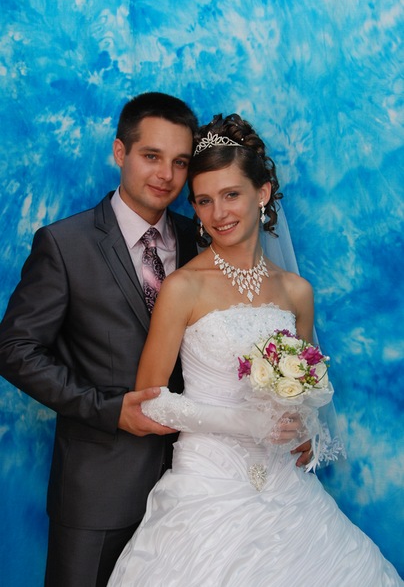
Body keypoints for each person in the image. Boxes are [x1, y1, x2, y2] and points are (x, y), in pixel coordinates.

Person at [107, 114, 403, 586]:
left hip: (286, 488)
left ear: (262, 193)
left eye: (231, 195)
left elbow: (307, 386)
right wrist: (245, 422)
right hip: (208, 486)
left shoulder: (296, 291)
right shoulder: (183, 287)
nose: (218, 213)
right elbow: (151, 399)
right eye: (204, 201)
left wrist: (303, 429)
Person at [0, 92, 200, 587]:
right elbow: (15, 349)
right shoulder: (63, 244)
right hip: (96, 490)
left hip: (192, 487)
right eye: (151, 156)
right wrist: (108, 409)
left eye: (180, 162)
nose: (166, 175)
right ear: (119, 151)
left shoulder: (201, 240)